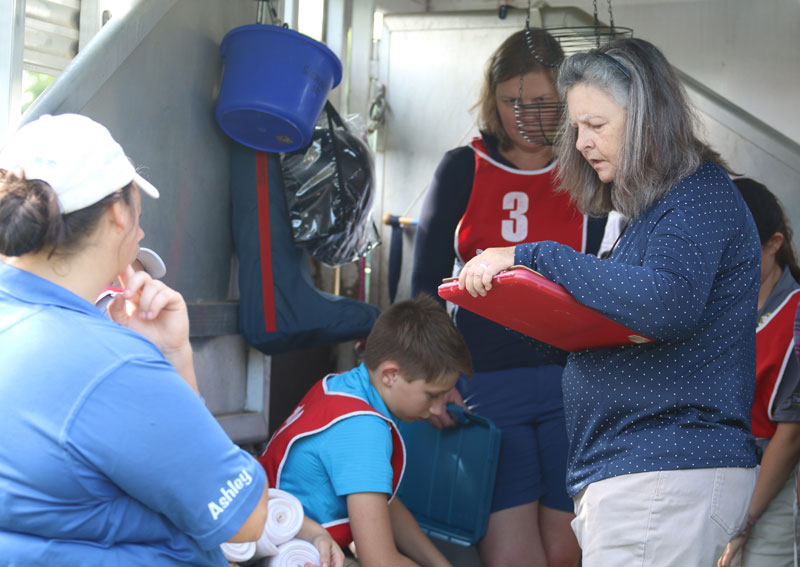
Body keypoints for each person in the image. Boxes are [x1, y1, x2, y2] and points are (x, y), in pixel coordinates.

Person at [457, 38, 761, 566]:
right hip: (643, 474)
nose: (580, 144)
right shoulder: (656, 209)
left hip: (665, 472)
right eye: (575, 129)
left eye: (595, 126)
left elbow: (666, 303)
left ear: (647, 119)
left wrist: (533, 257)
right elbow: (622, 324)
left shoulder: (697, 194)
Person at [0, 113, 340, 567]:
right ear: (119, 212)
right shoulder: (114, 366)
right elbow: (247, 520)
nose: (141, 229)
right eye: (137, 207)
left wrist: (171, 353)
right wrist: (172, 361)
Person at [411, 29, 601, 567]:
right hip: (488, 381)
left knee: (567, 551)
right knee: (512, 555)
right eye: (512, 102)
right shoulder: (462, 166)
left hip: (574, 381)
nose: (526, 115)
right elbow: (423, 284)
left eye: (541, 102)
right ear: (491, 100)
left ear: (566, 98)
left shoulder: (589, 168)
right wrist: (436, 380)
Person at [259, 294, 473, 567]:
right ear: (390, 375)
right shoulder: (363, 430)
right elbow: (380, 562)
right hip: (286, 552)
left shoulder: (341, 386)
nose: (436, 409)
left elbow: (381, 500)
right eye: (432, 395)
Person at [716, 178, 800, 567]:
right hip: (720, 472)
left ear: (774, 244)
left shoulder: (794, 313)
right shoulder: (724, 300)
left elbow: (791, 434)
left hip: (774, 481)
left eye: (742, 252)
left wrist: (745, 523)